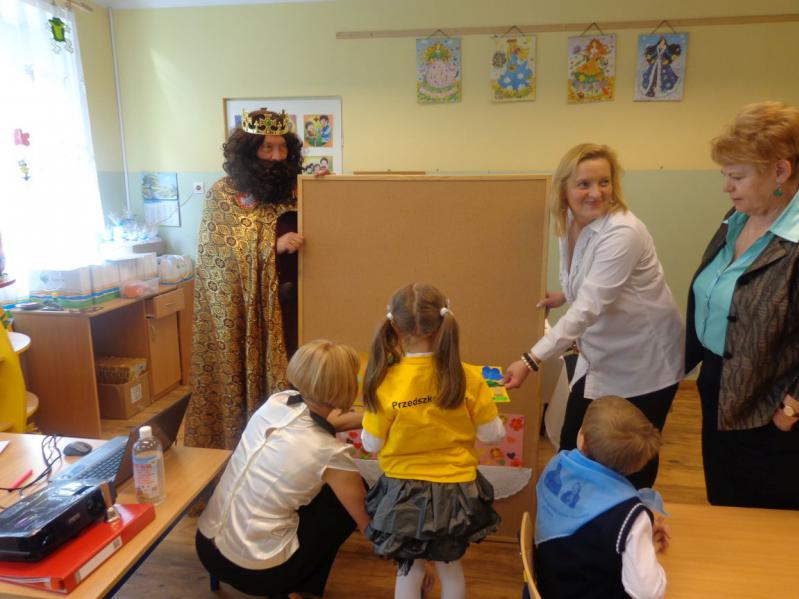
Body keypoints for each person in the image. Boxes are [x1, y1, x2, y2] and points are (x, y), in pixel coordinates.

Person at [503, 143, 684, 489]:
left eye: (604, 182)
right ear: (565, 190)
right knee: (574, 445)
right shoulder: (571, 221)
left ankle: (633, 515)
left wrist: (530, 359)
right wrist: (565, 294)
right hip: (600, 355)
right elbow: (590, 284)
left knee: (631, 459)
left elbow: (589, 307)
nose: (596, 193)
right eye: (584, 184)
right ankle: (579, 512)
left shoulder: (623, 232)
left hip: (642, 363)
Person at [686, 101, 799, 509]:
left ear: (780, 172)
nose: (727, 187)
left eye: (737, 176)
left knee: (765, 513)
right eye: (725, 175)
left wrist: (792, 406)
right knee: (724, 495)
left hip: (771, 401)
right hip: (719, 382)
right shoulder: (737, 218)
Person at [361, 283, 505, 599]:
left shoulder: (384, 380)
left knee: (409, 568)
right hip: (456, 490)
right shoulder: (471, 378)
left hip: (403, 490)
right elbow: (491, 434)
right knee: (450, 567)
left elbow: (371, 444)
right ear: (444, 323)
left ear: (395, 326)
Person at [195, 340, 369, 599]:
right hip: (255, 572)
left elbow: (326, 419)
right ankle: (294, 587)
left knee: (316, 490)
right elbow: (370, 527)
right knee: (348, 501)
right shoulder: (332, 453)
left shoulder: (278, 401)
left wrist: (379, 419)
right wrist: (419, 562)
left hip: (206, 546)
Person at [187, 108, 305, 450]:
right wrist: (272, 246)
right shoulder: (224, 194)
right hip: (248, 312)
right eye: (268, 148)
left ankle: (291, 451)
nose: (277, 156)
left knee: (299, 379)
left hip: (296, 308)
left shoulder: (298, 189)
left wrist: (324, 189)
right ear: (249, 150)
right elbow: (218, 258)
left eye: (282, 147)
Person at [535, 396, 669, 599]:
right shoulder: (629, 515)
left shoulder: (557, 466)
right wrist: (644, 545)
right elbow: (648, 593)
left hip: (548, 584)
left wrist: (638, 535)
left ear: (582, 440)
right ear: (637, 466)